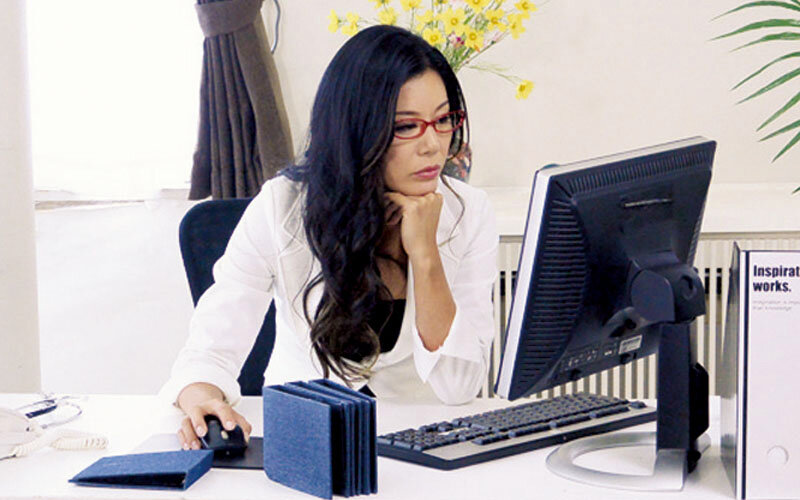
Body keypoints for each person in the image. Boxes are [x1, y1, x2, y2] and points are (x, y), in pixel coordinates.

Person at [160, 25, 498, 450]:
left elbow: (459, 387)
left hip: (427, 442)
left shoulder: (468, 212)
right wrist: (202, 399)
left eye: (444, 120)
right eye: (406, 126)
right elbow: (210, 349)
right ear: (356, 131)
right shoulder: (282, 206)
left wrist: (425, 254)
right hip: (305, 440)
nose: (433, 145)